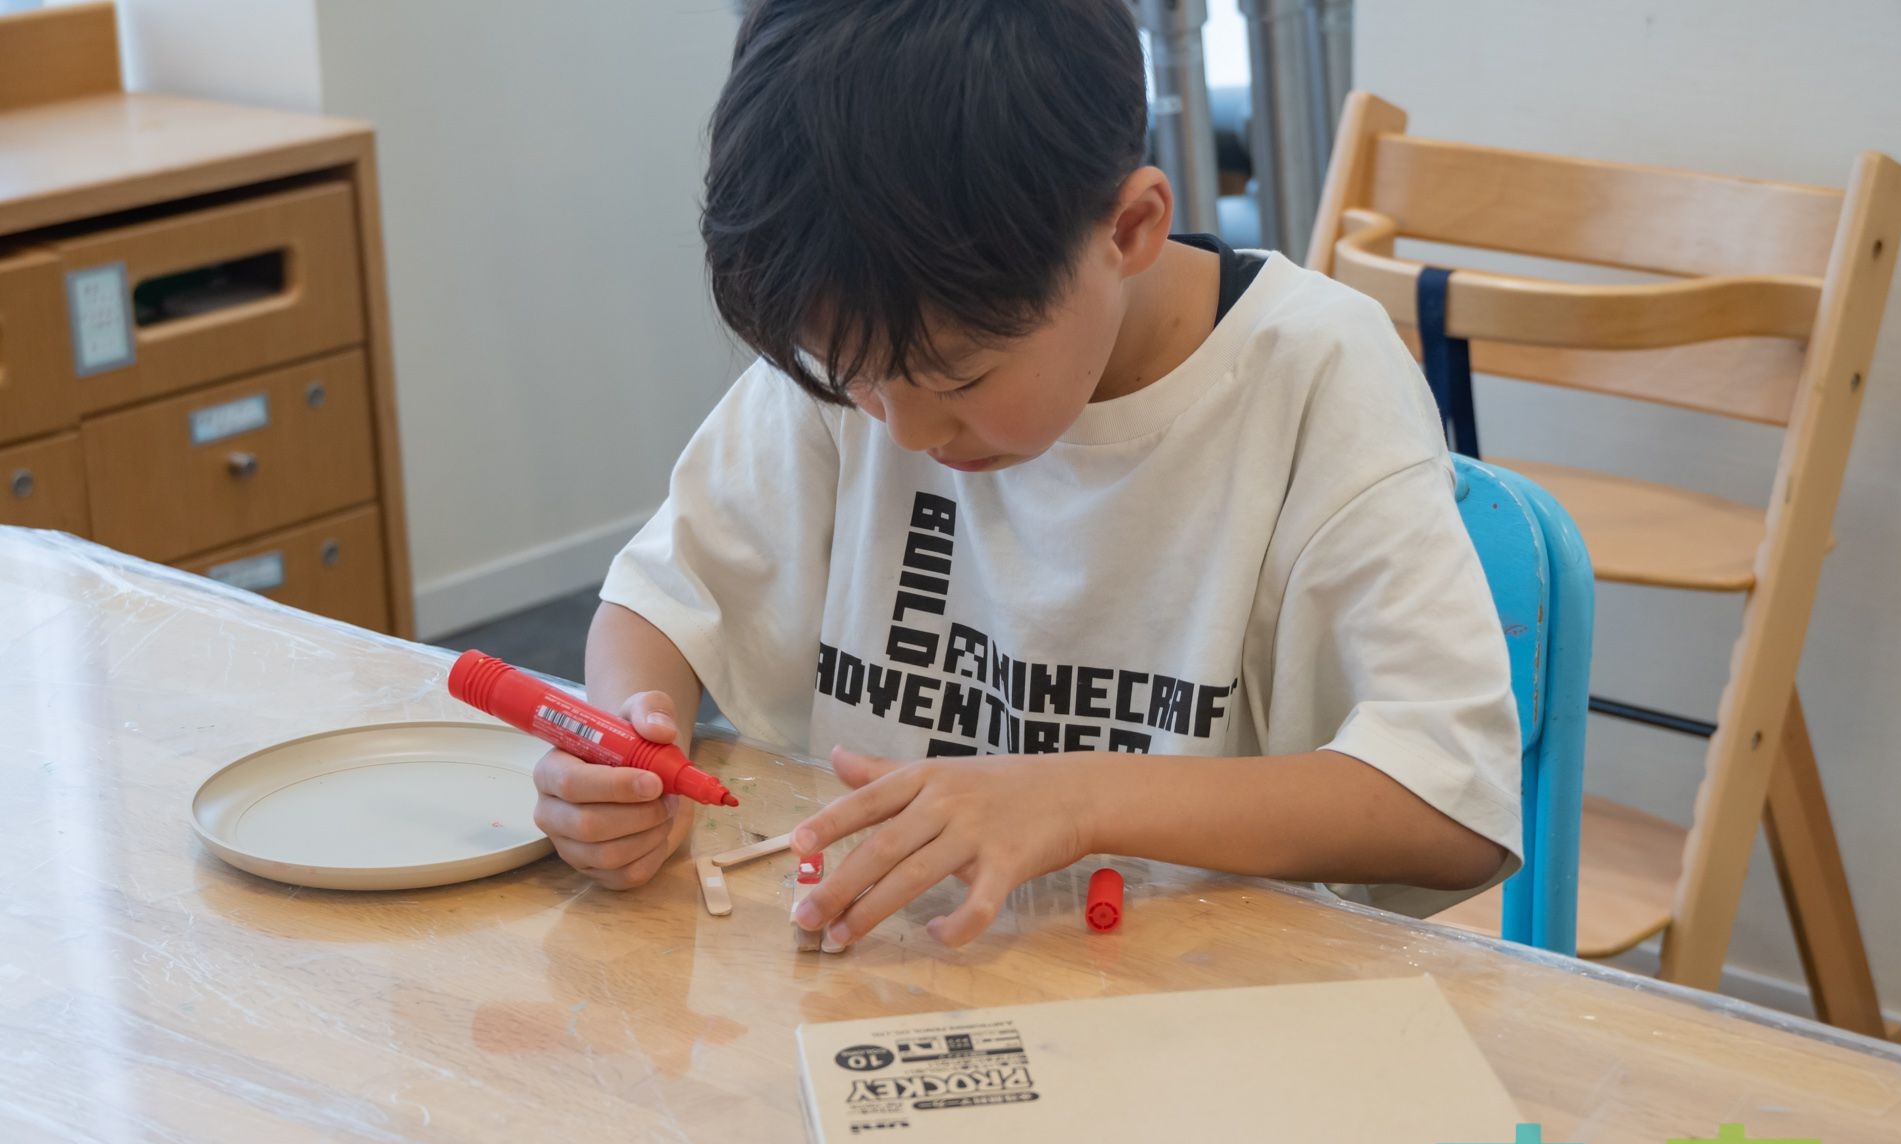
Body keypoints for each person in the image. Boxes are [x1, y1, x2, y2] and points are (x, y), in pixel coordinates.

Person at [532, 0, 1520, 950]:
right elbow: (660, 604)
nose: (902, 430)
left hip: (1196, 1004)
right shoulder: (876, 334)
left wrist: (1076, 799)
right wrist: (629, 747)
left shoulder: (1314, 376)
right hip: (890, 983)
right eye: (852, 380)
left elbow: (1451, 805)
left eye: (957, 379)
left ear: (1128, 230)